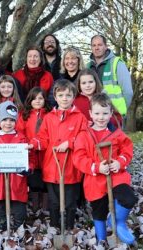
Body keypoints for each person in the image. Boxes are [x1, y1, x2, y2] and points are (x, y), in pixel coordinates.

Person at [73, 93, 137, 246]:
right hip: (95, 179)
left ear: (110, 113)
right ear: (90, 114)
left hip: (116, 176)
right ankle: (102, 239)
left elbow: (127, 150)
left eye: (105, 113)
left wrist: (119, 163)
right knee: (98, 210)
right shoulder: (84, 135)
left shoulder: (116, 133)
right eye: (96, 113)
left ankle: (117, 222)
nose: (101, 117)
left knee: (128, 198)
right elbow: (78, 158)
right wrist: (96, 167)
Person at [28, 79, 88, 230]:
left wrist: (70, 143)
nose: (64, 98)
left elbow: (85, 138)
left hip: (71, 167)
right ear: (55, 97)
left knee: (69, 201)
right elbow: (43, 138)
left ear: (74, 97)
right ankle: (55, 226)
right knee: (54, 201)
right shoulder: (49, 117)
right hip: (52, 166)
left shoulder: (80, 117)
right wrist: (33, 144)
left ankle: (68, 226)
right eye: (61, 95)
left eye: (68, 95)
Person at [0, 101, 35, 231]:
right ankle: (3, 232)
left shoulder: (22, 139)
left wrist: (29, 168)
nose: (8, 123)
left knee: (19, 212)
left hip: (17, 184)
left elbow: (30, 159)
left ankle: (17, 233)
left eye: (11, 120)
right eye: (4, 119)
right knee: (0, 213)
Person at [16, 87, 51, 212]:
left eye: (40, 98)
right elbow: (20, 132)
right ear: (29, 100)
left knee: (46, 179)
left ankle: (45, 206)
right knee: (34, 180)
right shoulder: (24, 115)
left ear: (45, 100)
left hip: (46, 152)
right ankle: (36, 206)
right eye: (34, 98)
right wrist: (26, 144)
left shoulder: (49, 114)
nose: (37, 101)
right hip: (30, 152)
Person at [87, 35, 133, 117]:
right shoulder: (88, 66)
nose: (96, 48)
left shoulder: (117, 64)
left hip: (113, 116)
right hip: (92, 115)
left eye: (100, 45)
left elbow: (128, 92)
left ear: (106, 46)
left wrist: (120, 112)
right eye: (94, 45)